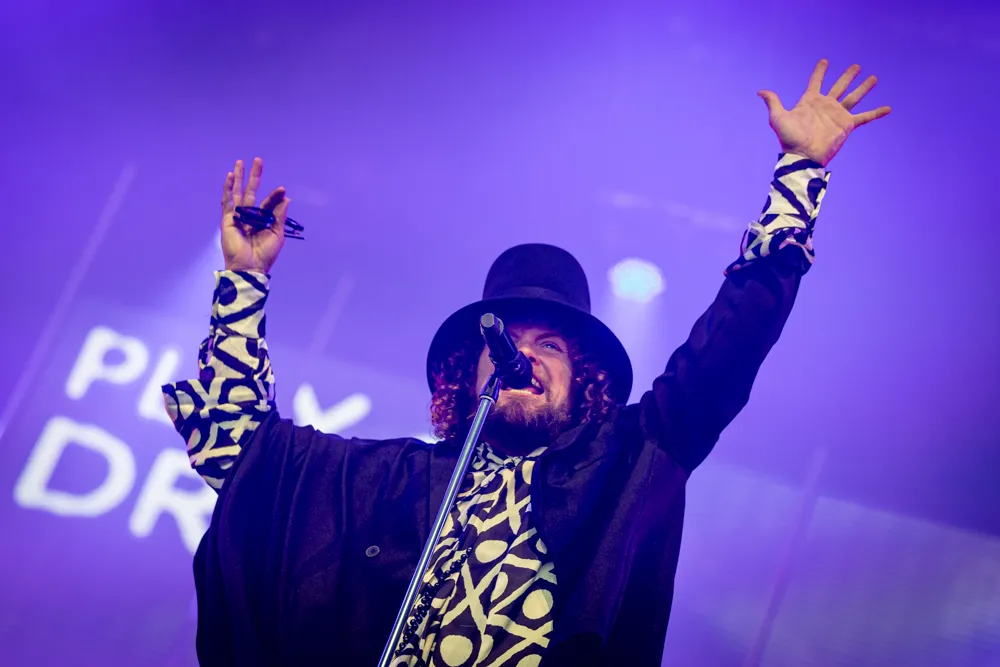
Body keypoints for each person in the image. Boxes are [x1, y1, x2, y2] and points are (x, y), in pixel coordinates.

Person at [163, 59, 890, 667]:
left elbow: (730, 344)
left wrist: (799, 171)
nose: (525, 357)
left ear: (586, 380)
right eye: (507, 343)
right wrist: (244, 280)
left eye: (550, 346)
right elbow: (240, 448)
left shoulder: (629, 460)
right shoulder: (389, 479)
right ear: (470, 373)